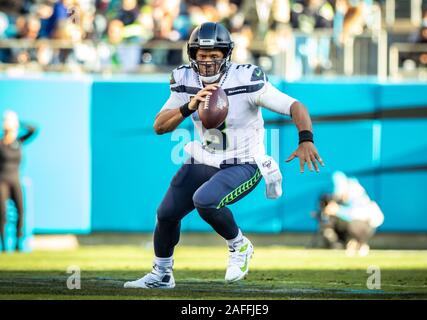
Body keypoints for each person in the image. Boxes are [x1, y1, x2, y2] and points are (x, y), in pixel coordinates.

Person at [124, 22, 324, 289]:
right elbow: (160, 126)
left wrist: (306, 139)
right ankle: (161, 274)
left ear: (226, 54)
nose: (207, 60)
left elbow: (294, 106)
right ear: (192, 54)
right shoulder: (185, 80)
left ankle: (239, 245)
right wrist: (189, 106)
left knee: (205, 200)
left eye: (214, 54)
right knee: (166, 213)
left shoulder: (246, 79)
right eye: (202, 55)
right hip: (205, 158)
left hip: (244, 161)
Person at [320, 171, 384, 256]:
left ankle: (359, 243)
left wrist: (337, 210)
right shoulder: (343, 196)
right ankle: (342, 244)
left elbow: (358, 215)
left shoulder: (356, 192)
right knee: (333, 220)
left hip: (367, 225)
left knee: (353, 224)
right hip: (358, 223)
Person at [0, 111, 37, 252]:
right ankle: (4, 246)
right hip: (2, 181)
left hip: (16, 180)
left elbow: (34, 129)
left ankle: (18, 244)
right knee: (2, 213)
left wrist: (17, 121)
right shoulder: (1, 144)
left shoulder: (19, 142)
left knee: (21, 211)